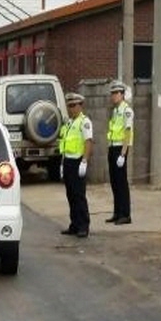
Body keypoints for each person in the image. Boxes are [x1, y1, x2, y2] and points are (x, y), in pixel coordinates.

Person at [59, 93, 94, 238]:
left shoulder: (84, 122)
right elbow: (64, 143)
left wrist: (84, 161)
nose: (71, 109)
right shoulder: (68, 123)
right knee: (70, 195)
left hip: (78, 161)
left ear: (80, 106)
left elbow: (88, 142)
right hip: (68, 161)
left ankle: (83, 226)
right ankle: (74, 224)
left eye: (74, 105)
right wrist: (62, 163)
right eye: (69, 106)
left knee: (79, 195)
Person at [106, 81, 134, 225]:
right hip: (112, 147)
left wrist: (123, 154)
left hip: (120, 149)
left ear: (122, 95)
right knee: (114, 182)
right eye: (112, 94)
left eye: (116, 93)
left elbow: (127, 132)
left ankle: (125, 214)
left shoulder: (126, 110)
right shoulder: (115, 111)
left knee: (121, 182)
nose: (113, 96)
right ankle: (117, 213)